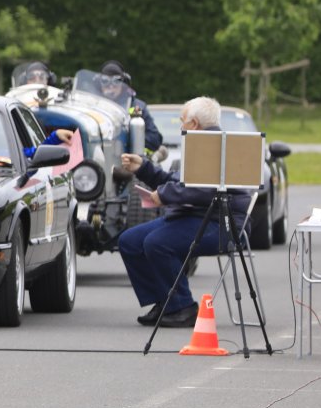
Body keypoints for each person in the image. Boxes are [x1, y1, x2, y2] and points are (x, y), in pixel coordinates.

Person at [117, 96, 250, 327]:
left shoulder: (218, 148)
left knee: (157, 243)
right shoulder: (199, 145)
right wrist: (144, 168)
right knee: (130, 241)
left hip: (221, 224)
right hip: (193, 217)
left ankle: (182, 307)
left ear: (194, 124)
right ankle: (165, 301)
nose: (180, 126)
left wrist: (164, 195)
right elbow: (178, 182)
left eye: (182, 121)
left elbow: (204, 191)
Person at [98, 60, 163, 153]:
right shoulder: (93, 107)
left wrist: (128, 138)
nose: (111, 86)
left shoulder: (136, 107)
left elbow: (155, 139)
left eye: (117, 81)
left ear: (124, 83)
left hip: (127, 159)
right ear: (99, 84)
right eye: (105, 81)